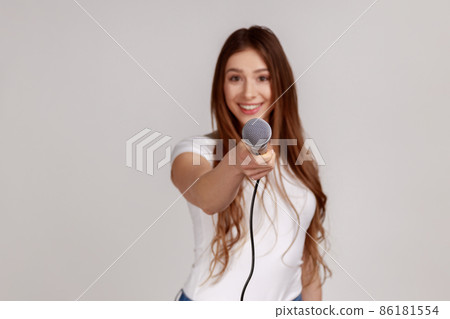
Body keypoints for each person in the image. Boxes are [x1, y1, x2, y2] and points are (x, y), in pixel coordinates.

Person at [170, 25, 331, 301]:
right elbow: (206, 197)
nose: (248, 93)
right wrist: (235, 163)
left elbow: (307, 263)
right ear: (221, 85)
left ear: (281, 84)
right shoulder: (194, 151)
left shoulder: (300, 158)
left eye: (262, 78)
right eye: (235, 78)